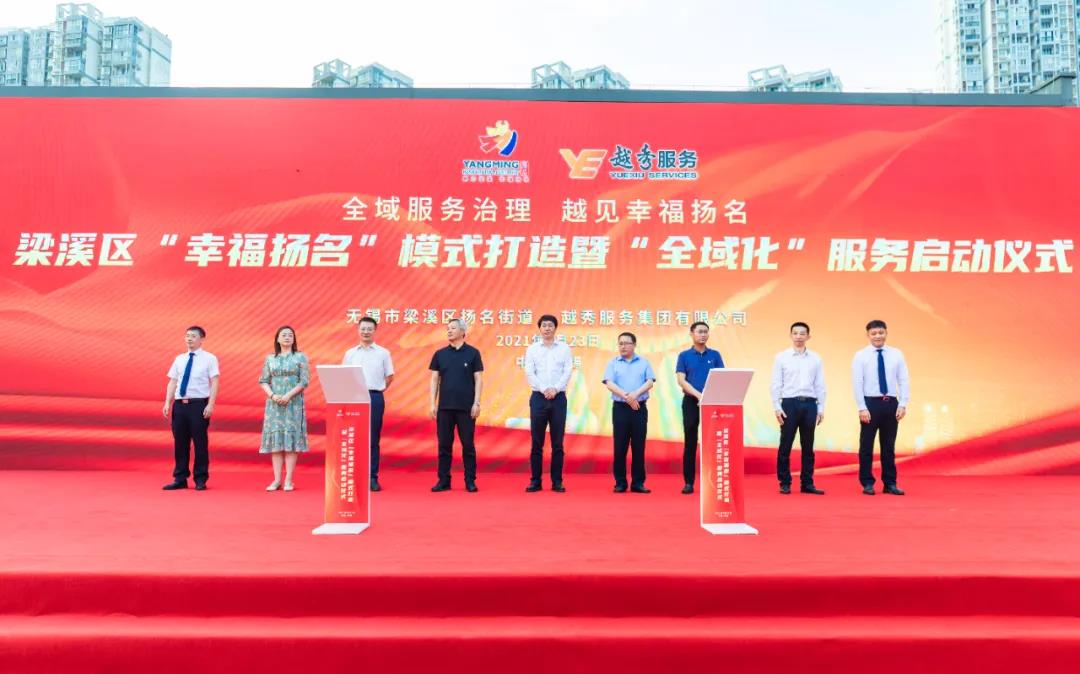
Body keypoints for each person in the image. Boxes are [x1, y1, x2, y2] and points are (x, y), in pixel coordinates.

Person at [852, 319, 909, 496]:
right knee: (866, 446)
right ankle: (867, 483)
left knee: (888, 446)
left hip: (891, 403)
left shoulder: (896, 354)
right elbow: (857, 383)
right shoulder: (861, 355)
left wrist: (903, 404)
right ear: (868, 335)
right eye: (874, 333)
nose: (878, 336)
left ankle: (890, 483)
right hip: (870, 404)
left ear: (886, 333)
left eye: (881, 332)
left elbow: (903, 379)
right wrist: (862, 407)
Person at [770, 322, 827, 495]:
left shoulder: (816, 358)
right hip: (789, 404)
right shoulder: (781, 357)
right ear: (790, 335)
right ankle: (785, 482)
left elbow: (820, 385)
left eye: (802, 333)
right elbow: (776, 384)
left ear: (808, 336)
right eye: (795, 333)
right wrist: (777, 407)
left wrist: (821, 408)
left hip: (810, 404)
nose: (799, 336)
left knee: (808, 446)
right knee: (785, 444)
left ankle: (807, 483)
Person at [162, 326, 219, 491]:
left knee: (200, 443)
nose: (189, 339)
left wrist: (211, 404)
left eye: (193, 336)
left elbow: (215, 382)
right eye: (187, 336)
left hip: (198, 405)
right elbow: (173, 381)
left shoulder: (209, 358)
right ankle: (180, 478)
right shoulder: (179, 359)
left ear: (202, 339)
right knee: (180, 443)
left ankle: (200, 478)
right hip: (180, 405)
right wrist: (167, 402)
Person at [429, 318, 483, 492]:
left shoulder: (473, 353)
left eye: (453, 328)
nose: (449, 331)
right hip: (445, 407)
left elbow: (478, 379)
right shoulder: (440, 354)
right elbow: (434, 379)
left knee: (468, 445)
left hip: (466, 408)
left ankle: (470, 480)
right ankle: (444, 480)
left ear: (462, 332)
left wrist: (476, 403)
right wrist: (432, 404)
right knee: (444, 445)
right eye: (448, 328)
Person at [342, 317, 395, 491]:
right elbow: (344, 376)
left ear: (375, 331)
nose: (366, 332)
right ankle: (355, 476)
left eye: (369, 329)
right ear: (358, 330)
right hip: (354, 397)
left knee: (373, 438)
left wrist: (377, 389)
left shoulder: (383, 353)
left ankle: (372, 477)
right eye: (363, 329)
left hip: (374, 396)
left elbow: (389, 377)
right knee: (354, 438)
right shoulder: (350, 353)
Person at [524, 314, 573, 493]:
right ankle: (535, 481)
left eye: (550, 325)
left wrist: (556, 389)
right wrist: (545, 388)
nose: (547, 328)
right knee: (537, 442)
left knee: (557, 443)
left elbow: (568, 371)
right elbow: (530, 372)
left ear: (555, 328)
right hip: (538, 397)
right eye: (544, 325)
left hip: (558, 398)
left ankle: (557, 481)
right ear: (539, 328)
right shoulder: (532, 349)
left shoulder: (564, 349)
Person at [603, 332, 656, 493]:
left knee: (639, 446)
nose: (623, 346)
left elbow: (649, 382)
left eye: (626, 343)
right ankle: (620, 482)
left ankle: (638, 483)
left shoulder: (644, 362)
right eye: (620, 343)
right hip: (621, 408)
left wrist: (635, 395)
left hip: (639, 407)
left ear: (634, 345)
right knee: (620, 447)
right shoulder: (613, 363)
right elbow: (609, 383)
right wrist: (627, 396)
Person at [674, 322, 724, 494]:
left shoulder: (715, 355)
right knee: (690, 442)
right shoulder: (684, 356)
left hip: (712, 402)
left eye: (705, 332)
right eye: (699, 332)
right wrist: (698, 395)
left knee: (713, 442)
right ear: (691, 334)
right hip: (691, 402)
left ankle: (713, 481)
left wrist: (707, 397)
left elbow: (721, 377)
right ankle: (689, 482)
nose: (703, 335)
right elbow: (681, 380)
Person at [259, 326, 310, 492]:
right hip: (274, 405)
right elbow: (263, 380)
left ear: (294, 339)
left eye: (290, 335)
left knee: (290, 442)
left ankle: (288, 480)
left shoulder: (300, 357)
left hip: (293, 404)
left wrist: (288, 395)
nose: (287, 337)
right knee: (276, 442)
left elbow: (304, 381)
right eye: (284, 335)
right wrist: (273, 395)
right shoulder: (270, 358)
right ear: (277, 339)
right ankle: (276, 480)